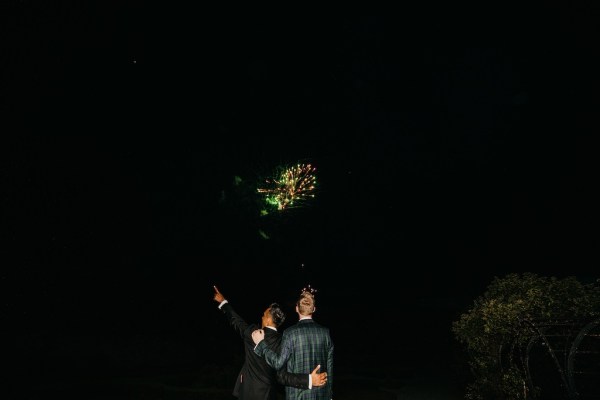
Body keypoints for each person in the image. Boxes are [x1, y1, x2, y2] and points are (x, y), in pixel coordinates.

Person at [213, 285, 327, 400]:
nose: (261, 318)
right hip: (268, 395)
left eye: (263, 315)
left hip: (247, 392)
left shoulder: (253, 333)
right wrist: (310, 379)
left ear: (268, 320)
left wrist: (223, 302)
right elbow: (285, 375)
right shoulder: (283, 341)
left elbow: (236, 321)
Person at [252, 289, 333, 400]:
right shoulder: (325, 333)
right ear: (314, 309)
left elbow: (278, 363)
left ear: (296, 309)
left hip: (297, 395)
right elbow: (329, 367)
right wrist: (329, 394)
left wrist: (261, 345)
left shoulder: (290, 333)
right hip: (321, 395)